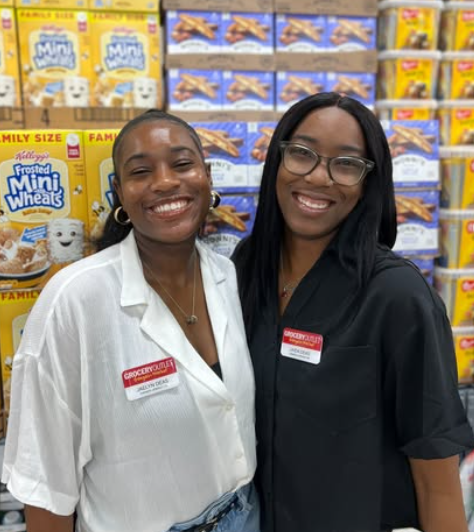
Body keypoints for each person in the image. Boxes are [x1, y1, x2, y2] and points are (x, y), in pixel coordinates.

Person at [3, 109, 259, 532]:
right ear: (119, 192)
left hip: (247, 515)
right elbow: (46, 488)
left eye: (182, 164)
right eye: (141, 171)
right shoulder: (76, 299)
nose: (164, 182)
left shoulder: (229, 277)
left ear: (207, 176)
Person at [233, 92, 474, 532]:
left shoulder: (397, 296)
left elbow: (437, 482)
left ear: (368, 183)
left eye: (345, 164)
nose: (319, 177)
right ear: (277, 161)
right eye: (302, 154)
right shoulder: (241, 274)